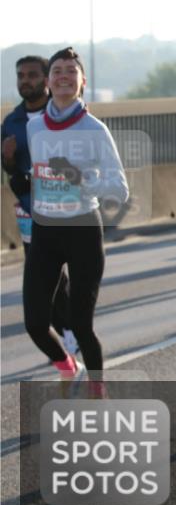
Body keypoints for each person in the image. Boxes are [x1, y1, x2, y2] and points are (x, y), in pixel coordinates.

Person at [24, 47, 129, 397]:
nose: (64, 76)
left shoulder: (94, 129)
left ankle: (98, 390)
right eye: (57, 71)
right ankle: (69, 368)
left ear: (82, 82)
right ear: (48, 82)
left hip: (83, 228)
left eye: (72, 71)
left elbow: (120, 190)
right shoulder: (33, 125)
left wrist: (79, 178)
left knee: (82, 324)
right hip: (45, 231)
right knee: (36, 323)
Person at [2, 56, 74, 354]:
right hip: (29, 212)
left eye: (32, 75)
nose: (25, 81)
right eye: (21, 76)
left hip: (65, 209)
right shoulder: (11, 122)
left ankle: (73, 330)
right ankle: (66, 334)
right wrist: (6, 159)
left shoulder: (61, 114)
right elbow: (11, 172)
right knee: (43, 277)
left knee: (58, 276)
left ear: (46, 80)